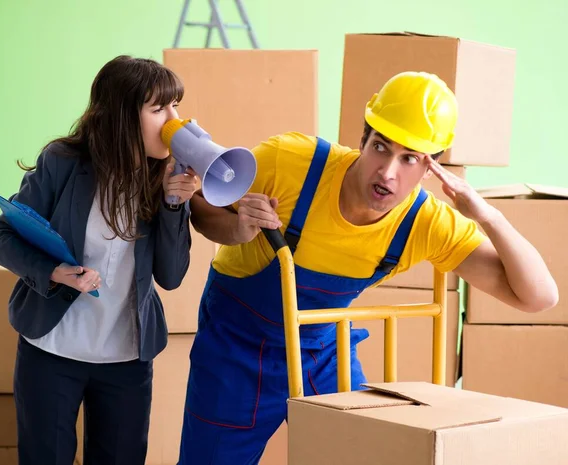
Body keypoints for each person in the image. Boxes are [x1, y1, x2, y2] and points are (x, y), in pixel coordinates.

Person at [177, 71, 559, 464]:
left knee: (359, 453)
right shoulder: (291, 162)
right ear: (362, 141)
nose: (388, 172)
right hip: (234, 351)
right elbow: (202, 206)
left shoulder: (425, 224)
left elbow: (539, 297)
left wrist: (489, 216)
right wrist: (239, 230)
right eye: (380, 147)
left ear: (430, 168)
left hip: (322, 355)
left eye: (409, 158)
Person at [0, 55, 197, 465]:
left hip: (126, 361)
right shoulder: (62, 162)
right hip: (51, 349)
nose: (175, 120)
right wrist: (53, 272)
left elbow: (170, 278)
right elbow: (0, 236)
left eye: (177, 106)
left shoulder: (166, 179)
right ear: (120, 116)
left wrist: (174, 205)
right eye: (160, 109)